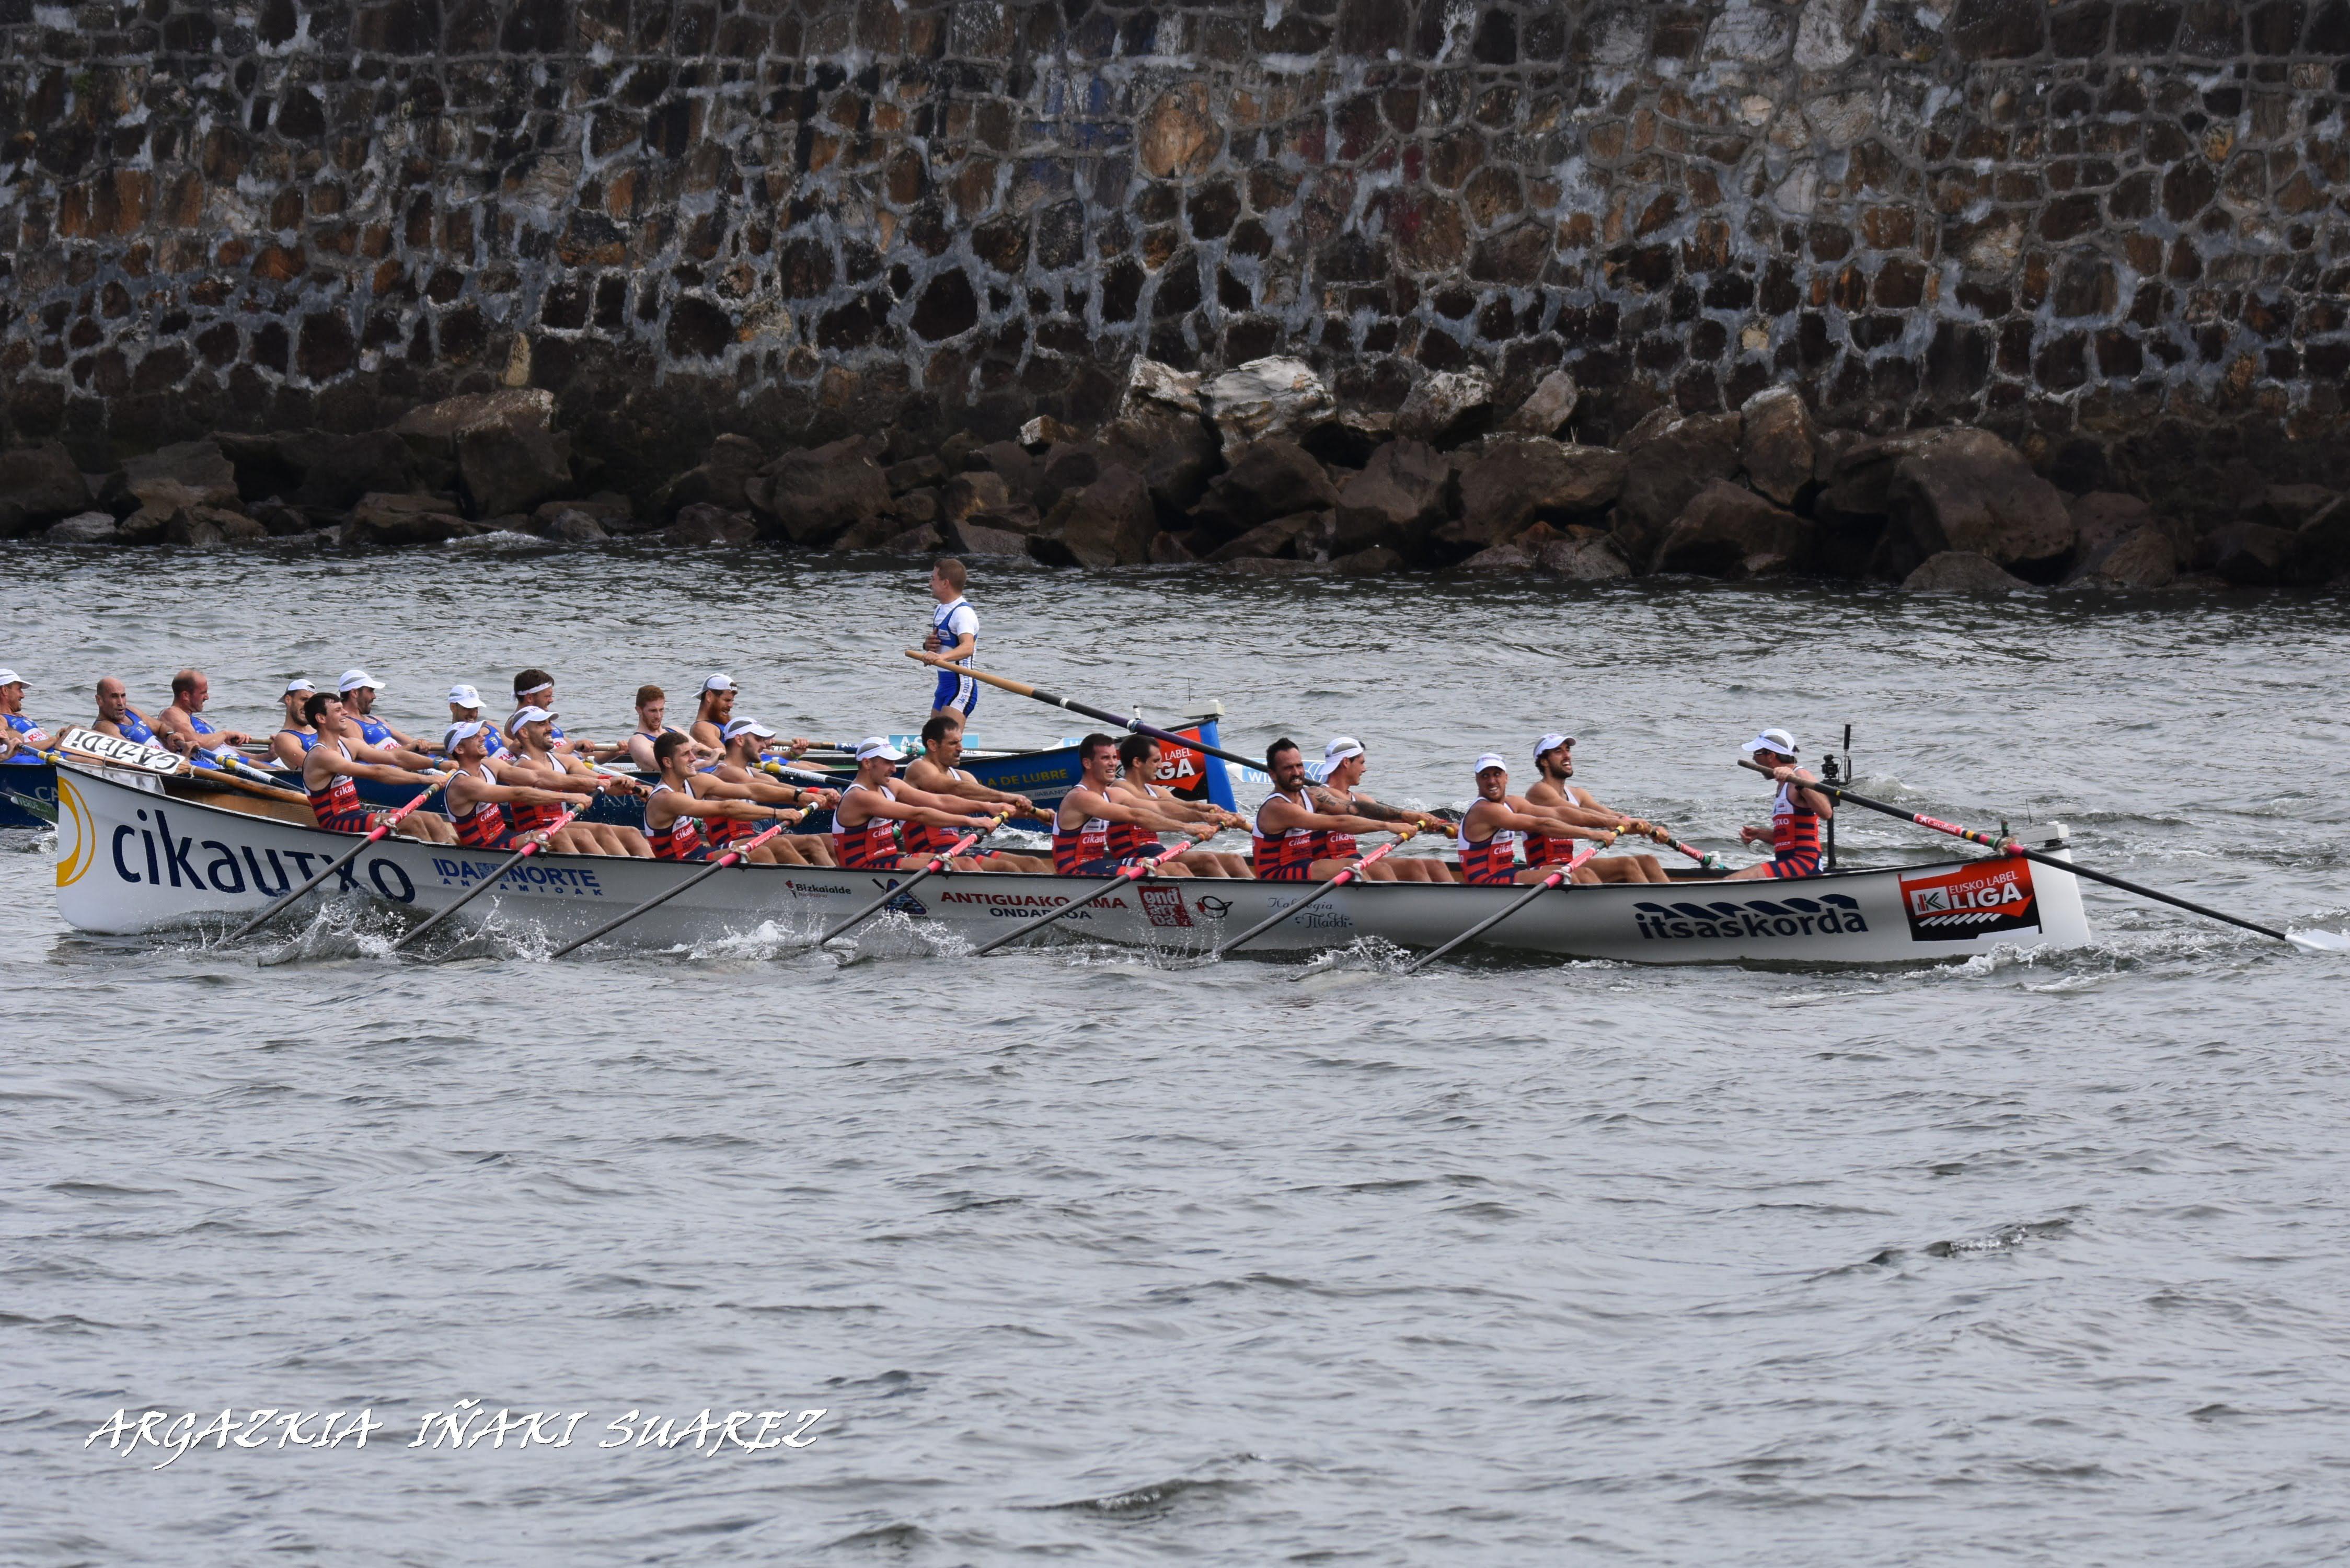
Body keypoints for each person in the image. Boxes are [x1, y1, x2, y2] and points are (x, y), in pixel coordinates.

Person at [298, 691, 456, 844]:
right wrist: (427, 779)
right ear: (321, 718)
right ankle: (432, 866)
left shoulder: (349, 744)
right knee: (412, 822)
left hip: (356, 812)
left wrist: (439, 764)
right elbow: (377, 772)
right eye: (338, 710)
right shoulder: (322, 755)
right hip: (336, 821)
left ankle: (452, 862)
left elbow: (396, 757)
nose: (345, 713)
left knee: (433, 818)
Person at [1252, 737, 1416, 882]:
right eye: (1288, 768)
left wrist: (1406, 815)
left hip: (1306, 866)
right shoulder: (1277, 807)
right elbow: (1338, 822)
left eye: (1299, 766)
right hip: (1277, 876)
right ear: (1273, 774)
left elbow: (1353, 809)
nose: (1297, 773)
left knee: (1385, 868)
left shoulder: (1313, 795)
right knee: (1353, 866)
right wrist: (1388, 827)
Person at [902, 713, 1050, 873]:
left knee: (1032, 863)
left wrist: (1038, 815)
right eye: (953, 743)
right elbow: (952, 788)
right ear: (933, 745)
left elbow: (996, 808)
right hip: (928, 853)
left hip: (957, 847)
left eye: (960, 742)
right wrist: (1006, 796)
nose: (961, 748)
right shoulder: (918, 768)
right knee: (1007, 867)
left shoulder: (964, 776)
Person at [1054, 733, 1215, 877]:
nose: (1112, 764)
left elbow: (1157, 807)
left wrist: (1205, 815)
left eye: (1114, 758)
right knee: (1157, 872)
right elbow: (1135, 816)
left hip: (1098, 863)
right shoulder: (1081, 797)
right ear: (1088, 764)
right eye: (1105, 758)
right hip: (1074, 870)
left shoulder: (1112, 794)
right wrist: (1187, 828)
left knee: (1174, 869)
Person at [830, 737, 999, 872]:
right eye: (888, 762)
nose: (894, 769)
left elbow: (939, 801)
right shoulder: (859, 797)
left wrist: (987, 806)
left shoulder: (891, 786)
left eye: (894, 763)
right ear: (867, 763)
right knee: (950, 865)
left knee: (967, 863)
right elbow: (918, 814)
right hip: (864, 869)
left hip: (889, 858)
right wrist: (972, 821)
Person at [1523, 733, 1670, 884]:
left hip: (1568, 864)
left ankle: (1669, 902)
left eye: (1568, 750)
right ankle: (1641, 906)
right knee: (1627, 865)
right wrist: (1613, 821)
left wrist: (1648, 828)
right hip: (1544, 869)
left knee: (1648, 861)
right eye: (1558, 752)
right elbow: (1576, 814)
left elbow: (1613, 816)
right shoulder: (1539, 792)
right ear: (1544, 762)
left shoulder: (1578, 793)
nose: (1567, 756)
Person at [504, 705, 650, 857]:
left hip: (559, 825)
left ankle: (654, 873)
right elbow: (565, 781)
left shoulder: (565, 760)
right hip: (534, 831)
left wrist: (636, 788)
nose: (550, 729)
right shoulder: (524, 765)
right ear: (524, 732)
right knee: (584, 836)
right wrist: (606, 782)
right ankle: (607, 875)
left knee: (628, 832)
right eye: (542, 725)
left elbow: (599, 781)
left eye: (549, 723)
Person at [1455, 753, 1619, 886]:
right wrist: (1592, 835)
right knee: (1577, 876)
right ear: (1477, 780)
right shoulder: (1484, 810)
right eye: (1485, 776)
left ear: (1506, 778)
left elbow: (1557, 814)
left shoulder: (1513, 803)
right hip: (1486, 883)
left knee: (1584, 873)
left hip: (1507, 873)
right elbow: (1542, 825)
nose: (1492, 781)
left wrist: (1611, 821)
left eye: (1497, 774)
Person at [1304, 736, 1453, 882]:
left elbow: (1398, 818)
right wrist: (1396, 822)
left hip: (1354, 859)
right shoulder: (1323, 796)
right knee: (1382, 869)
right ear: (1346, 762)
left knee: (1430, 865)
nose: (1365, 769)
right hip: (1330, 865)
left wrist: (1443, 826)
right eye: (1362, 763)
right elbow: (1364, 812)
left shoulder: (1360, 798)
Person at [700, 717, 840, 867]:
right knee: (810, 843)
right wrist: (807, 796)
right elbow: (758, 787)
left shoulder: (749, 771)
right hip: (729, 843)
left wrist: (817, 794)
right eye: (758, 739)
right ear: (740, 740)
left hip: (750, 836)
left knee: (828, 840)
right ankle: (822, 887)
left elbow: (777, 786)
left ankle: (846, 883)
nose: (764, 744)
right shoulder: (725, 772)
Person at [643, 731, 802, 862]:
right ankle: (790, 894)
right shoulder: (666, 798)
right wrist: (778, 813)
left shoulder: (696, 782)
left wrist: (801, 796)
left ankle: (813, 888)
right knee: (762, 853)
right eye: (686, 754)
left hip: (700, 851)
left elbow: (750, 790)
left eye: (692, 752)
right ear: (668, 763)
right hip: (679, 866)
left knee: (779, 843)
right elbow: (725, 808)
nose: (693, 758)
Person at [1109, 732, 1251, 878]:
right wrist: (1204, 815)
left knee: (1234, 859)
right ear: (1137, 762)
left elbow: (1181, 806)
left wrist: (1224, 815)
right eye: (1156, 761)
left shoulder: (1157, 791)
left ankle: (1257, 896)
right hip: (1132, 858)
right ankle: (1222, 900)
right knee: (1204, 861)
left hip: (1156, 853)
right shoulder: (1120, 787)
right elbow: (1158, 806)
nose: (1161, 766)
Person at [441, 721, 589, 851]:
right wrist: (570, 797)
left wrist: (598, 782)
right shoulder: (463, 783)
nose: (483, 738)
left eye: (480, 734)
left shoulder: (491, 765)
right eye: (475, 737)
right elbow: (519, 794)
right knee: (559, 836)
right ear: (460, 750)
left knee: (587, 834)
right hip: (487, 849)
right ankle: (590, 879)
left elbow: (537, 777)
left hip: (505, 835)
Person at [1727, 728, 1834, 881]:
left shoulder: (1800, 775)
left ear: (1771, 756)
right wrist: (1759, 834)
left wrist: (1797, 782)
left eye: (1756, 754)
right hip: (1789, 863)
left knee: (1732, 882)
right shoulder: (1783, 785)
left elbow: (1826, 812)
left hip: (1804, 864)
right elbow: (1790, 838)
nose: (1754, 759)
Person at [157, 668, 258, 770]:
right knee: (272, 768)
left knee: (268, 763)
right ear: (186, 696)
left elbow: (224, 749)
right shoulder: (171, 714)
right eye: (203, 693)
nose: (207, 697)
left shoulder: (200, 721)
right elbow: (198, 743)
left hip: (232, 761)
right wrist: (225, 734)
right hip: (220, 767)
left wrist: (265, 756)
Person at [922, 557, 980, 720]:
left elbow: (967, 648)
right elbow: (941, 646)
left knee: (945, 742)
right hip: (944, 686)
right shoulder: (940, 609)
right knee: (932, 742)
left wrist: (940, 657)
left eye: (933, 579)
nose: (930, 584)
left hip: (961, 686)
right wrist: (928, 646)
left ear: (945, 583)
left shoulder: (963, 613)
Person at [337, 669, 432, 755]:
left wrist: (445, 744)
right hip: (398, 766)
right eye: (371, 691)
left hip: (413, 760)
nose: (374, 696)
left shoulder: (377, 719)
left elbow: (415, 743)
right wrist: (408, 748)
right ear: (355, 693)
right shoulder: (347, 723)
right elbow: (369, 756)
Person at [624, 684, 700, 773]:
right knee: (721, 770)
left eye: (661, 710)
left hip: (703, 773)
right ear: (639, 710)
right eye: (653, 711)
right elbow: (668, 767)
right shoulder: (637, 741)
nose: (658, 716)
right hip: (683, 779)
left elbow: (701, 749)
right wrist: (709, 763)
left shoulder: (674, 730)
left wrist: (713, 755)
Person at [0, 668, 53, 764]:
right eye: (19, 689)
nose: (23, 695)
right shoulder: (1, 719)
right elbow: (18, 740)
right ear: (5, 691)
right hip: (31, 759)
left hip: (49, 753)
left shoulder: (23, 716)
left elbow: (50, 737)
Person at [91, 676, 163, 745]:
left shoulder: (130, 711)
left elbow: (160, 727)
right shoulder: (103, 727)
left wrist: (170, 735)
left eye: (123, 696)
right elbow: (133, 750)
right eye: (114, 697)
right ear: (99, 700)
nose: (121, 703)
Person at [445, 685, 508, 758]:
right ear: (453, 707)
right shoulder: (458, 745)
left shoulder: (490, 725)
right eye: (468, 708)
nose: (474, 714)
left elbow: (512, 746)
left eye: (476, 708)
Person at [269, 679, 320, 768]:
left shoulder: (320, 728)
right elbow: (317, 767)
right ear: (288, 700)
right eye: (304, 700)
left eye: (312, 702)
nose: (309, 706)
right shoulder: (284, 739)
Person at [686, 674, 737, 753]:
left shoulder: (720, 724)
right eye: (727, 700)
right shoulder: (701, 728)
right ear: (709, 696)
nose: (731, 705)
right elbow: (729, 760)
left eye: (732, 701)